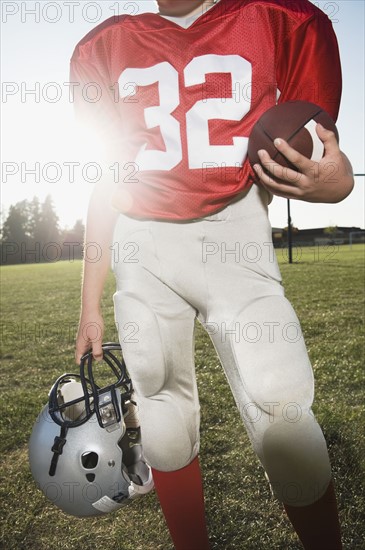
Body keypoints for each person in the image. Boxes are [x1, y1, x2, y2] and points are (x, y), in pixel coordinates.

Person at [73, 1, 354, 548]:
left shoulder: (280, 18)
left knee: (281, 404)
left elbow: (327, 160)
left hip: (236, 232)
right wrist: (89, 304)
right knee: (160, 411)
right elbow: (106, 182)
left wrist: (336, 182)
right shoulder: (100, 47)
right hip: (142, 245)